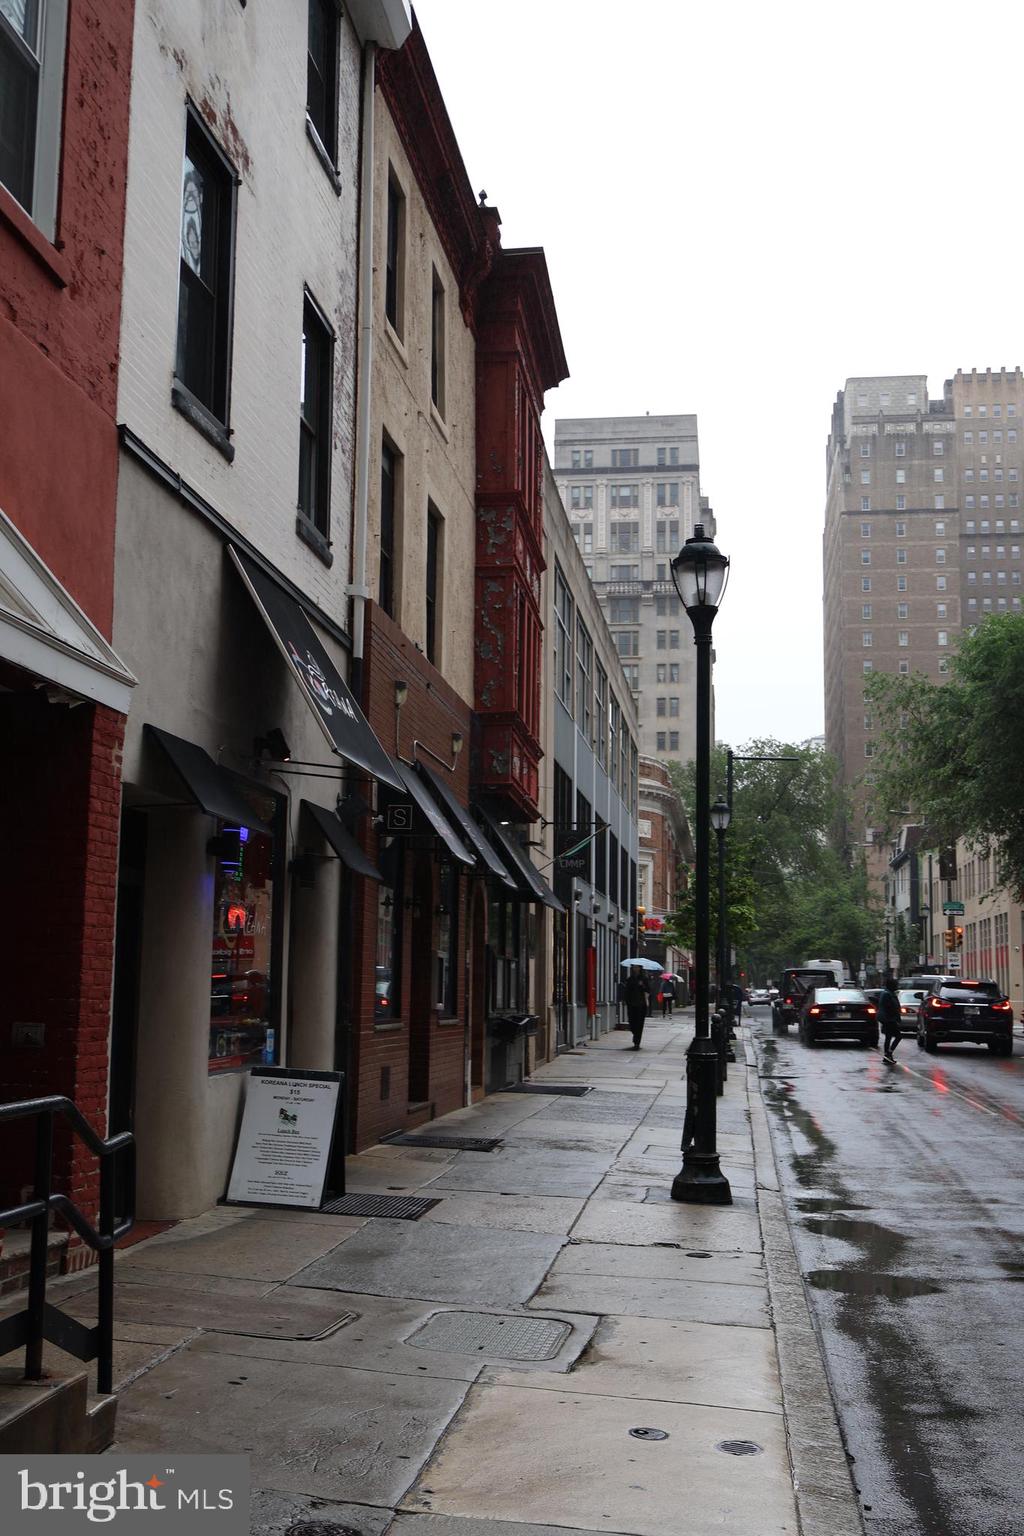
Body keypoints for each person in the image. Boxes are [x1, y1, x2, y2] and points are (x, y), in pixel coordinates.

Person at [877, 972, 902, 1064]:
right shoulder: (888, 994)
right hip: (889, 1019)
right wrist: (896, 1018)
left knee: (888, 1037)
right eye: (896, 985)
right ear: (892, 985)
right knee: (898, 1036)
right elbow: (891, 1007)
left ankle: (887, 1055)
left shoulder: (888, 993)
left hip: (888, 1019)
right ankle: (888, 1053)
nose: (897, 986)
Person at [623, 967, 650, 1050]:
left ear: (639, 968)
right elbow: (627, 991)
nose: (635, 968)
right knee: (632, 1023)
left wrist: (642, 986)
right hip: (631, 1004)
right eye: (634, 967)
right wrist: (626, 1001)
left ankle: (637, 1042)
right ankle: (635, 1034)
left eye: (637, 967)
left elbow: (649, 990)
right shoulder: (630, 979)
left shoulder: (644, 979)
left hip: (641, 1005)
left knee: (639, 1024)